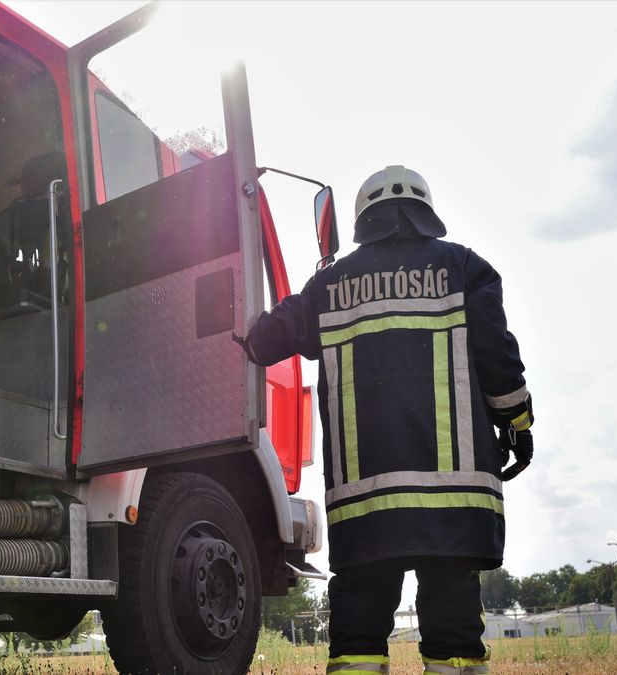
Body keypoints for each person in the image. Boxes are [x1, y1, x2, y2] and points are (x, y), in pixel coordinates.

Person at [236, 166, 534, 675]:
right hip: (454, 500)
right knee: (455, 636)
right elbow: (497, 358)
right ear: (426, 212)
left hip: (364, 505)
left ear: (363, 219)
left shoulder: (329, 284)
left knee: (357, 636)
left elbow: (265, 341)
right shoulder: (466, 270)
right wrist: (518, 422)